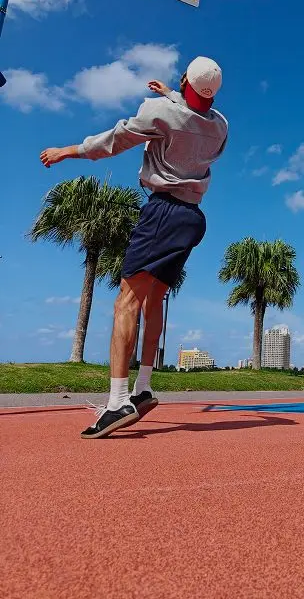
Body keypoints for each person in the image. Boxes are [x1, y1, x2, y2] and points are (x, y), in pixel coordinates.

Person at [40, 57, 228, 439]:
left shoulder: (160, 113)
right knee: (153, 299)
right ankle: (143, 387)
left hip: (162, 211)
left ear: (185, 80)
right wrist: (170, 94)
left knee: (126, 302)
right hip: (193, 218)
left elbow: (116, 139)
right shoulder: (220, 126)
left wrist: (67, 150)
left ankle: (117, 401)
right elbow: (191, 115)